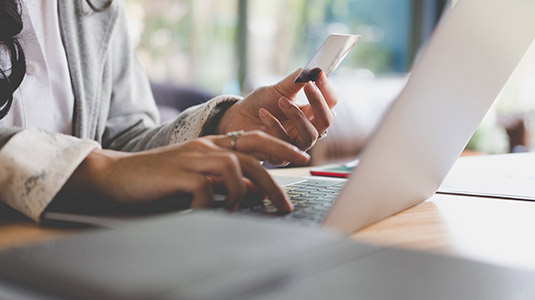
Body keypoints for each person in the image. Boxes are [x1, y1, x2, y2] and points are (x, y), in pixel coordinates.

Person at [0, 0, 338, 222]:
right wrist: (98, 168)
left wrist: (223, 127)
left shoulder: (95, 7)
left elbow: (122, 140)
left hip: (75, 255)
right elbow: (112, 165)